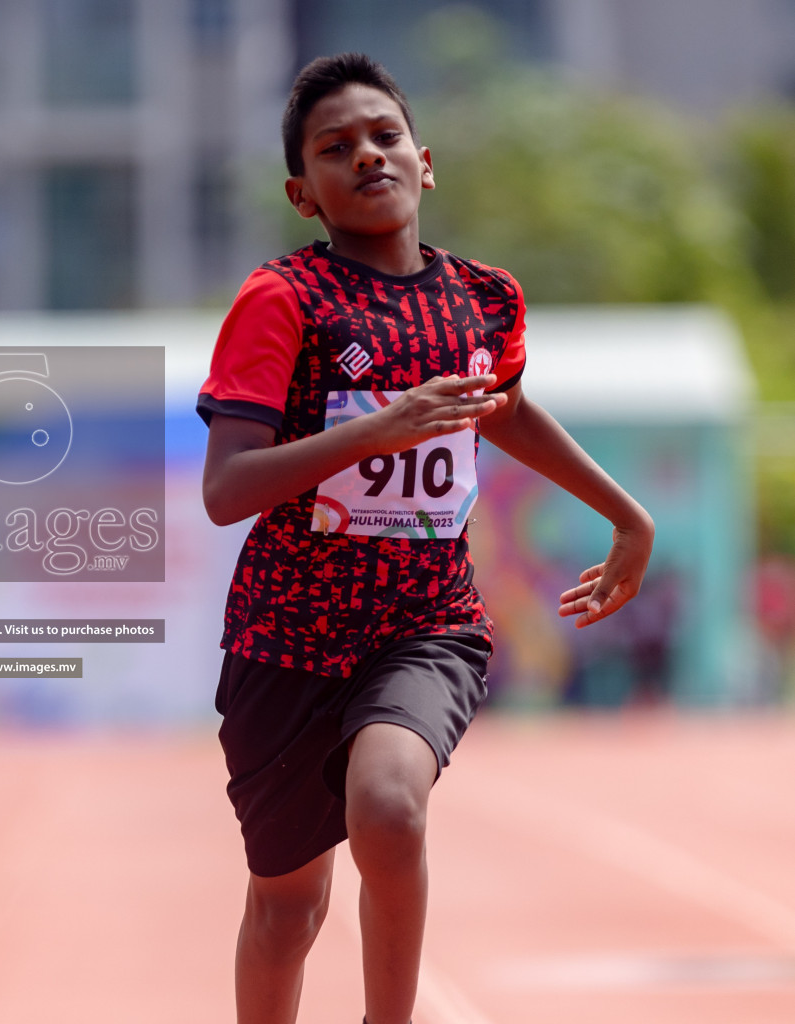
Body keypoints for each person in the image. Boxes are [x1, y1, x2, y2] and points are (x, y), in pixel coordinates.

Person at [197, 54, 652, 1024]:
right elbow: (227, 489)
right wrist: (377, 428)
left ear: (423, 161)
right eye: (334, 148)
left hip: (424, 623)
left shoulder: (484, 300)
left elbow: (505, 410)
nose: (365, 155)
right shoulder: (282, 301)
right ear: (301, 192)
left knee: (391, 807)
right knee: (287, 909)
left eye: (382, 135)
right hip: (285, 637)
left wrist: (625, 512)